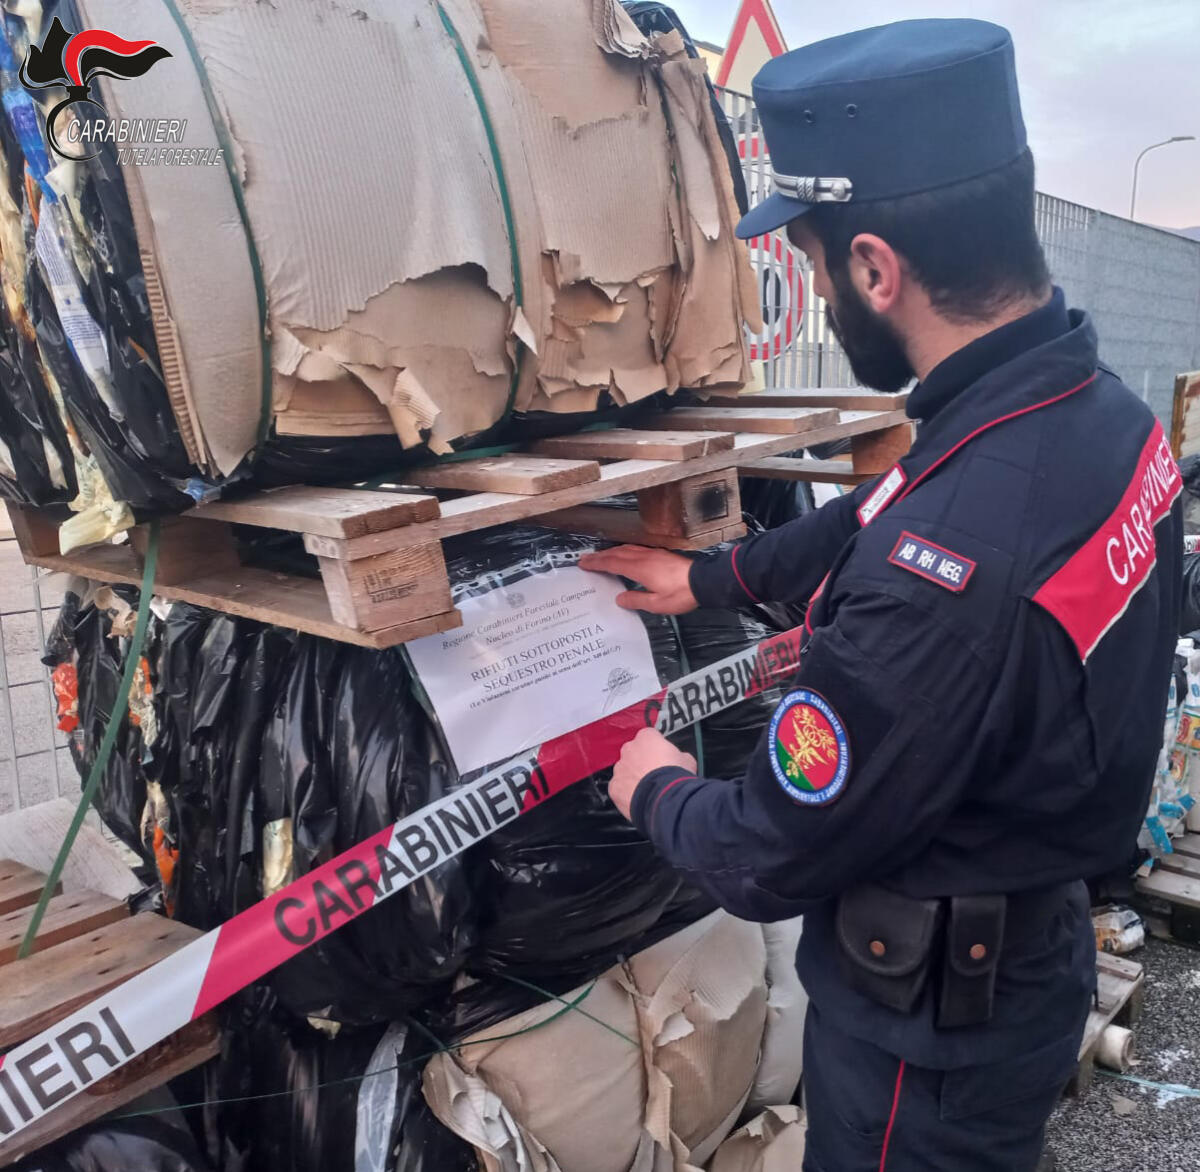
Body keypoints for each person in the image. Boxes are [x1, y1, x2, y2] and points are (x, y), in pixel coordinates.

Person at [580, 18, 1182, 1172]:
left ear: (872, 266)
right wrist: (710, 574)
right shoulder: (1086, 412)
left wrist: (653, 785)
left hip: (928, 1032)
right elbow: (882, 503)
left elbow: (767, 850)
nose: (813, 285)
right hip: (1027, 954)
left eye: (809, 260)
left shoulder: (946, 576)